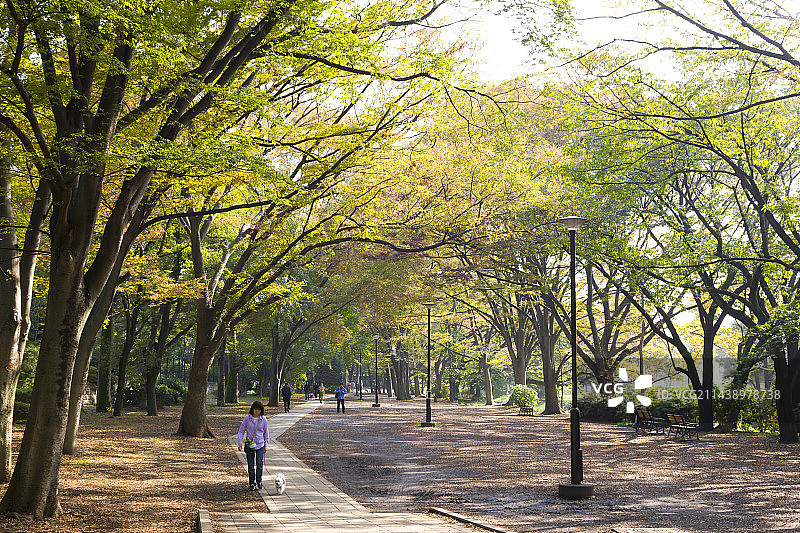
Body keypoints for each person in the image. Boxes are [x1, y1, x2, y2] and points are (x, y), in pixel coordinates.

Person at [238, 400, 269, 491]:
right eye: (255, 409)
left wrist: (266, 445)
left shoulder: (263, 419)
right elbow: (241, 430)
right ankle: (252, 482)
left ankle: (259, 480)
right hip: (249, 444)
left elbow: (266, 433)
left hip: (260, 444)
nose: (256, 411)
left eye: (259, 410)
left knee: (259, 464)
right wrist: (240, 442)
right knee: (251, 465)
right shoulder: (247, 418)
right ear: (252, 409)